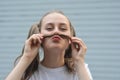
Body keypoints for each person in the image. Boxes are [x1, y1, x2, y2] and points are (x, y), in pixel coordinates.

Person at [5, 10, 93, 80]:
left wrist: (79, 61)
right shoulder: (27, 72)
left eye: (63, 28)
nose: (56, 31)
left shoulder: (80, 69)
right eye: (49, 28)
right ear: (39, 36)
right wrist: (26, 57)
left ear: (70, 39)